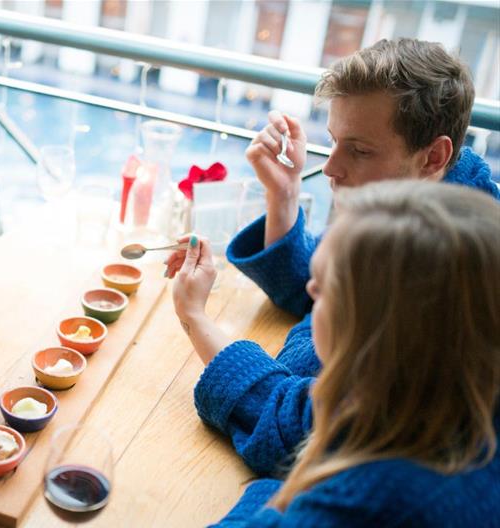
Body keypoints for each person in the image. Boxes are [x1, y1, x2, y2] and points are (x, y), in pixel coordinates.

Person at [165, 38, 499, 378]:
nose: (329, 168)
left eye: (360, 150)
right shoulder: (410, 201)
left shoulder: (446, 276)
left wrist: (194, 316)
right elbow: (310, 285)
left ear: (433, 157)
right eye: (333, 141)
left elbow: (303, 417)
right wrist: (283, 194)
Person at [172, 181, 499, 524]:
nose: (309, 291)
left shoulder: (377, 500)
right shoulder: (445, 397)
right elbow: (305, 419)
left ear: (378, 333)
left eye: (324, 288)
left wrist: (269, 493)